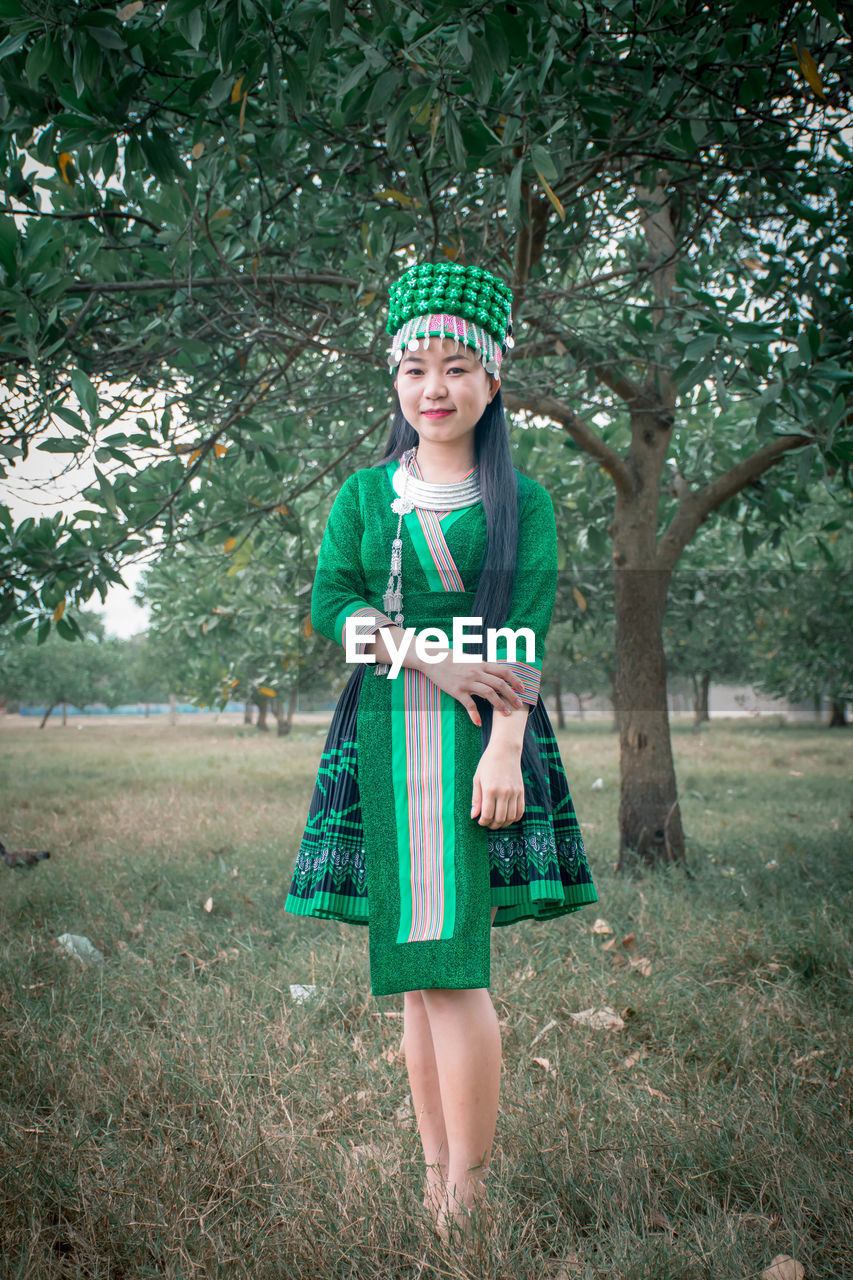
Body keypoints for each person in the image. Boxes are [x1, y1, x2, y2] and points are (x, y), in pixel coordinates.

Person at [285, 262, 598, 1242]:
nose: (434, 387)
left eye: (456, 367)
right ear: (394, 378)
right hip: (383, 733)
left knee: (454, 967)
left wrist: (503, 749)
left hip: (475, 746)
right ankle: (434, 1167)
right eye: (415, 366)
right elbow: (335, 608)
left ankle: (468, 1186)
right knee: (417, 973)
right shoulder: (365, 495)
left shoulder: (524, 503)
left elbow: (521, 634)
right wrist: (431, 655)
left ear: (492, 382)